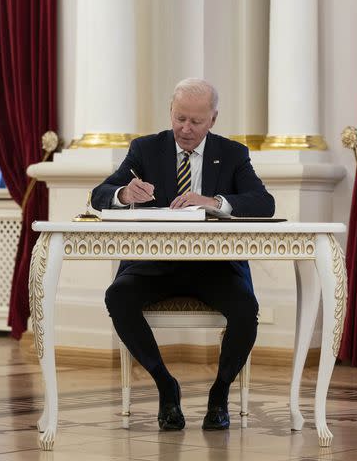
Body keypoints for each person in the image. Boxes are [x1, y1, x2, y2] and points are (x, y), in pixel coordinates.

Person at [92, 78, 275, 431]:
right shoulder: (145, 149)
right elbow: (101, 193)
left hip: (214, 267)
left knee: (246, 309)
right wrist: (124, 195)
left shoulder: (233, 153)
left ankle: (219, 394)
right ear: (170, 112)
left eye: (195, 121)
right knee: (118, 296)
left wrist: (214, 202)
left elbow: (264, 204)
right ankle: (165, 386)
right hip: (155, 264)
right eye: (179, 118)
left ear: (213, 120)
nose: (185, 129)